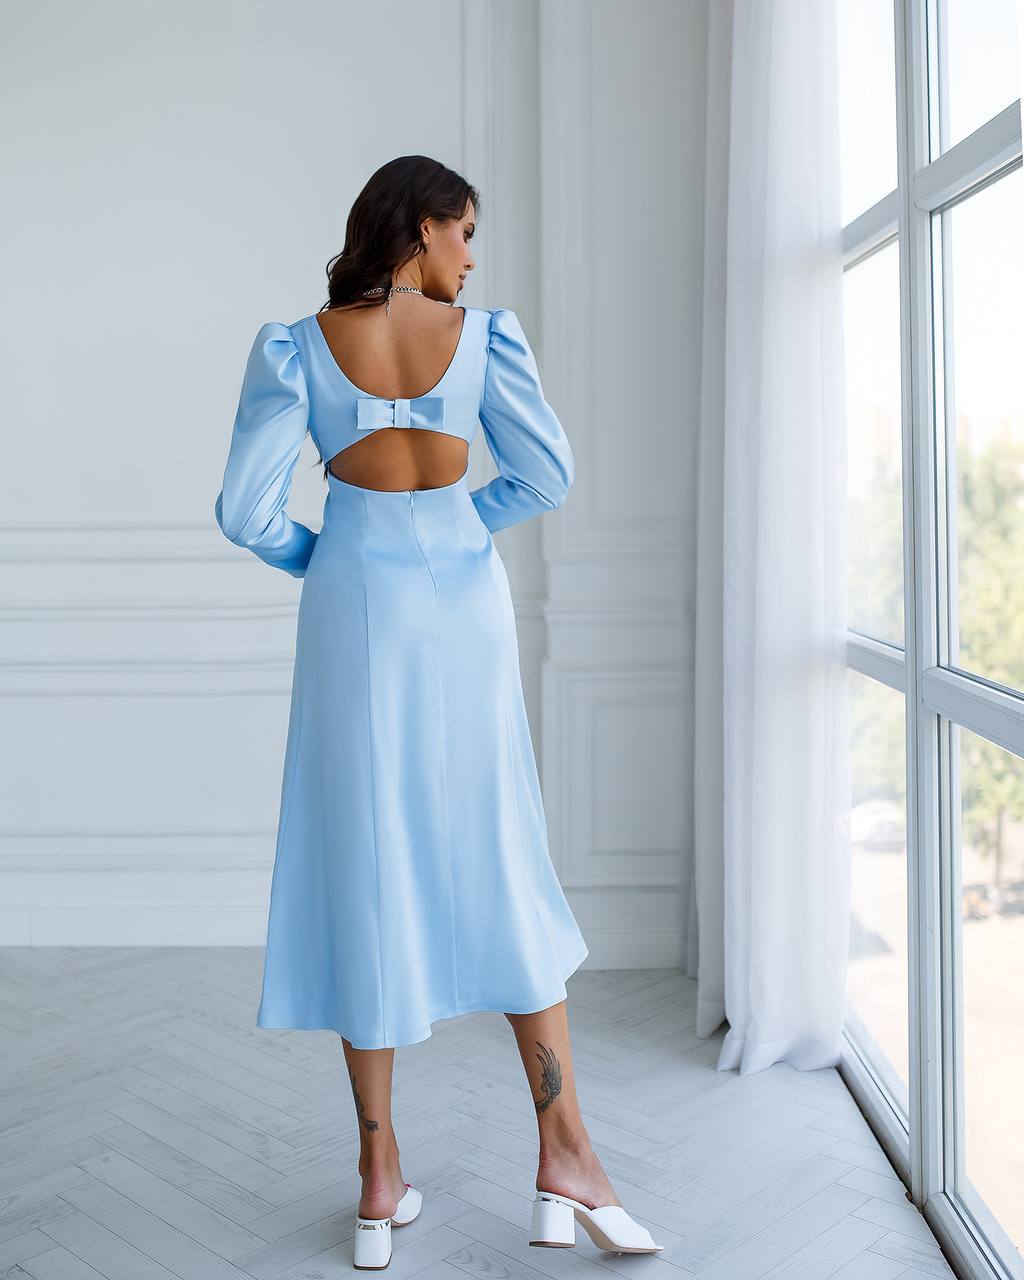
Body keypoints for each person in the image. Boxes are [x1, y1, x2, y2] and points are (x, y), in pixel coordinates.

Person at [214, 155, 662, 1268]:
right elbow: (546, 474)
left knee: (366, 867)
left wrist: (327, 556)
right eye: (464, 232)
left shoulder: (297, 344)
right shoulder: (487, 336)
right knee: (502, 853)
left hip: (352, 604)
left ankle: (377, 1181)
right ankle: (566, 1154)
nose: (473, 254)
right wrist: (460, 527)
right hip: (464, 601)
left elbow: (242, 510)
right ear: (418, 231)